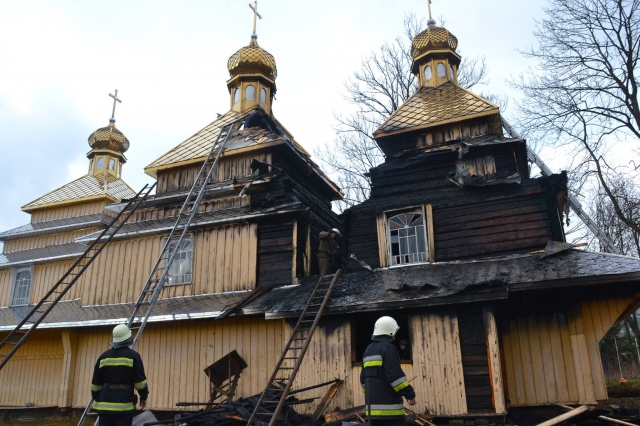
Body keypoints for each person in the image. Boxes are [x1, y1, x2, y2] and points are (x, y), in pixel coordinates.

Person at [361, 316, 416, 426]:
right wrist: (410, 394)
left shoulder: (368, 350)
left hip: (372, 412)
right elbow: (396, 377)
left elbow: (363, 380)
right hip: (391, 412)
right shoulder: (388, 348)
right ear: (390, 332)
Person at [91, 324, 149, 426]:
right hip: (124, 406)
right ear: (128, 338)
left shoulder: (104, 356)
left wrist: (98, 397)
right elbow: (140, 382)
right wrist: (143, 397)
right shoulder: (133, 356)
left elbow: (95, 383)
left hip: (104, 405)